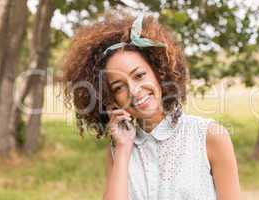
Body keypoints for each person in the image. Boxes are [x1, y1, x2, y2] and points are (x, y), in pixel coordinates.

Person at [62, 9, 240, 200]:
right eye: (119, 87)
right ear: (112, 98)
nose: (134, 90)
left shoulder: (209, 136)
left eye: (139, 76)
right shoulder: (118, 149)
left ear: (158, 72)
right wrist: (123, 149)